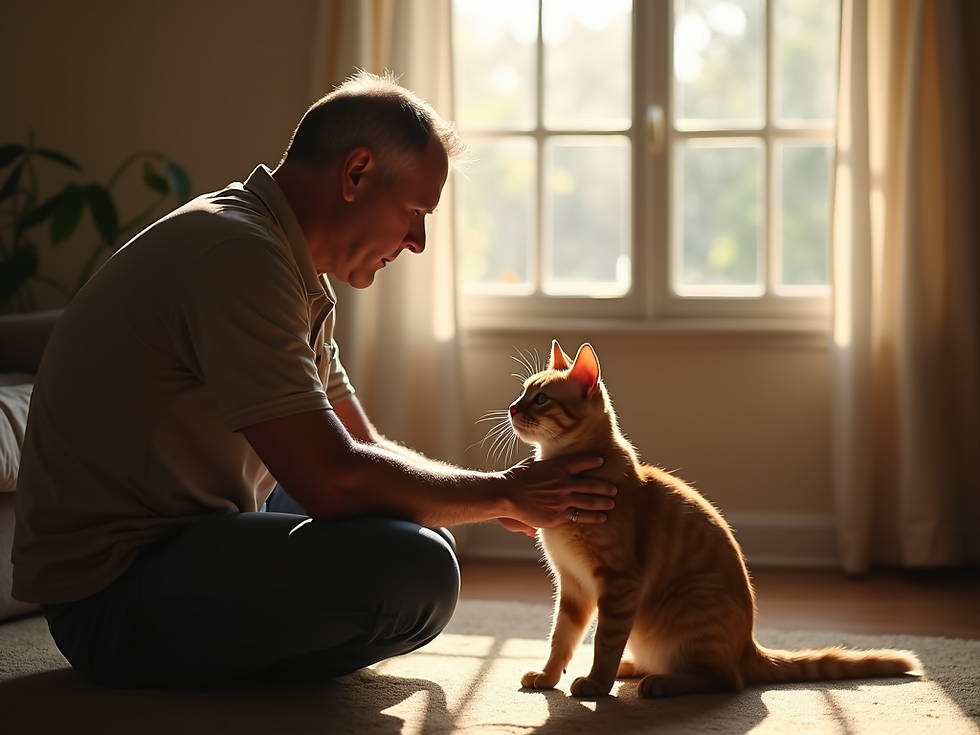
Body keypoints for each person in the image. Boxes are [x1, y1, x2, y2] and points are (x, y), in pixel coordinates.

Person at [11, 71, 616, 690]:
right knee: (419, 570)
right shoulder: (240, 257)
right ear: (355, 174)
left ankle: (236, 657)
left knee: (422, 522)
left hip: (195, 534)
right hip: (115, 594)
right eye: (415, 210)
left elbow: (362, 448)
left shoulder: (288, 266)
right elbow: (333, 482)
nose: (418, 241)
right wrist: (502, 492)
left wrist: (488, 497)